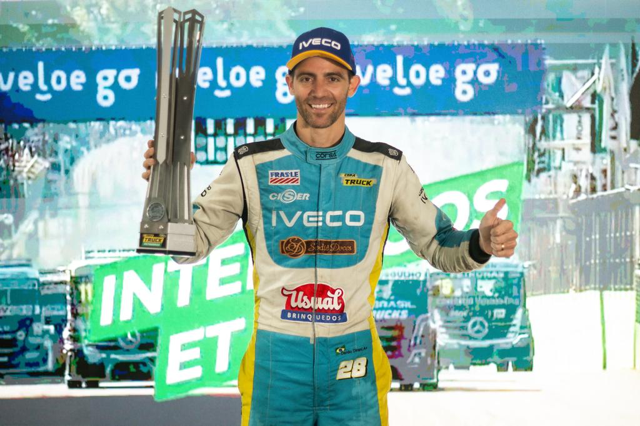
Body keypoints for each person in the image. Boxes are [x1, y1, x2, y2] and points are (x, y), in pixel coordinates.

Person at [142, 27, 518, 426]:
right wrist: (164, 192)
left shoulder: (385, 166)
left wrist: (482, 242)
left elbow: (439, 243)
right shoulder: (250, 164)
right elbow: (188, 245)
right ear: (289, 83)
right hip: (276, 362)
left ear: (352, 84)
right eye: (307, 78)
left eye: (333, 78)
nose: (319, 90)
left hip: (353, 363)